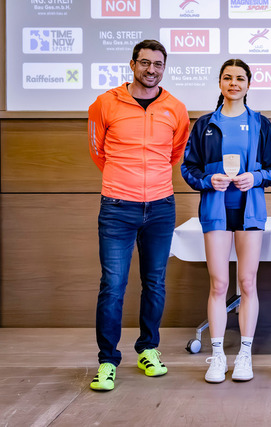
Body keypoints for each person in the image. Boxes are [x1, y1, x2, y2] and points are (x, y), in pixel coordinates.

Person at [87, 39, 190, 391]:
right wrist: (124, 181)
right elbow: (98, 150)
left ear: (164, 68)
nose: (151, 70)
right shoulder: (105, 103)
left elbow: (174, 152)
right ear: (132, 65)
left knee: (155, 282)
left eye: (158, 64)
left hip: (161, 207)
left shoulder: (175, 108)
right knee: (113, 285)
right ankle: (107, 360)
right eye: (145, 62)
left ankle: (148, 349)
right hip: (117, 207)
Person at [181, 59, 271, 384]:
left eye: (240, 78)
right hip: (216, 212)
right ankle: (218, 354)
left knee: (247, 283)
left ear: (249, 84)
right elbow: (188, 168)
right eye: (228, 78)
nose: (234, 83)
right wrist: (208, 181)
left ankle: (245, 354)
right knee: (219, 284)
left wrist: (256, 177)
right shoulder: (205, 124)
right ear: (220, 83)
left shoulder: (260, 123)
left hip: (250, 211)